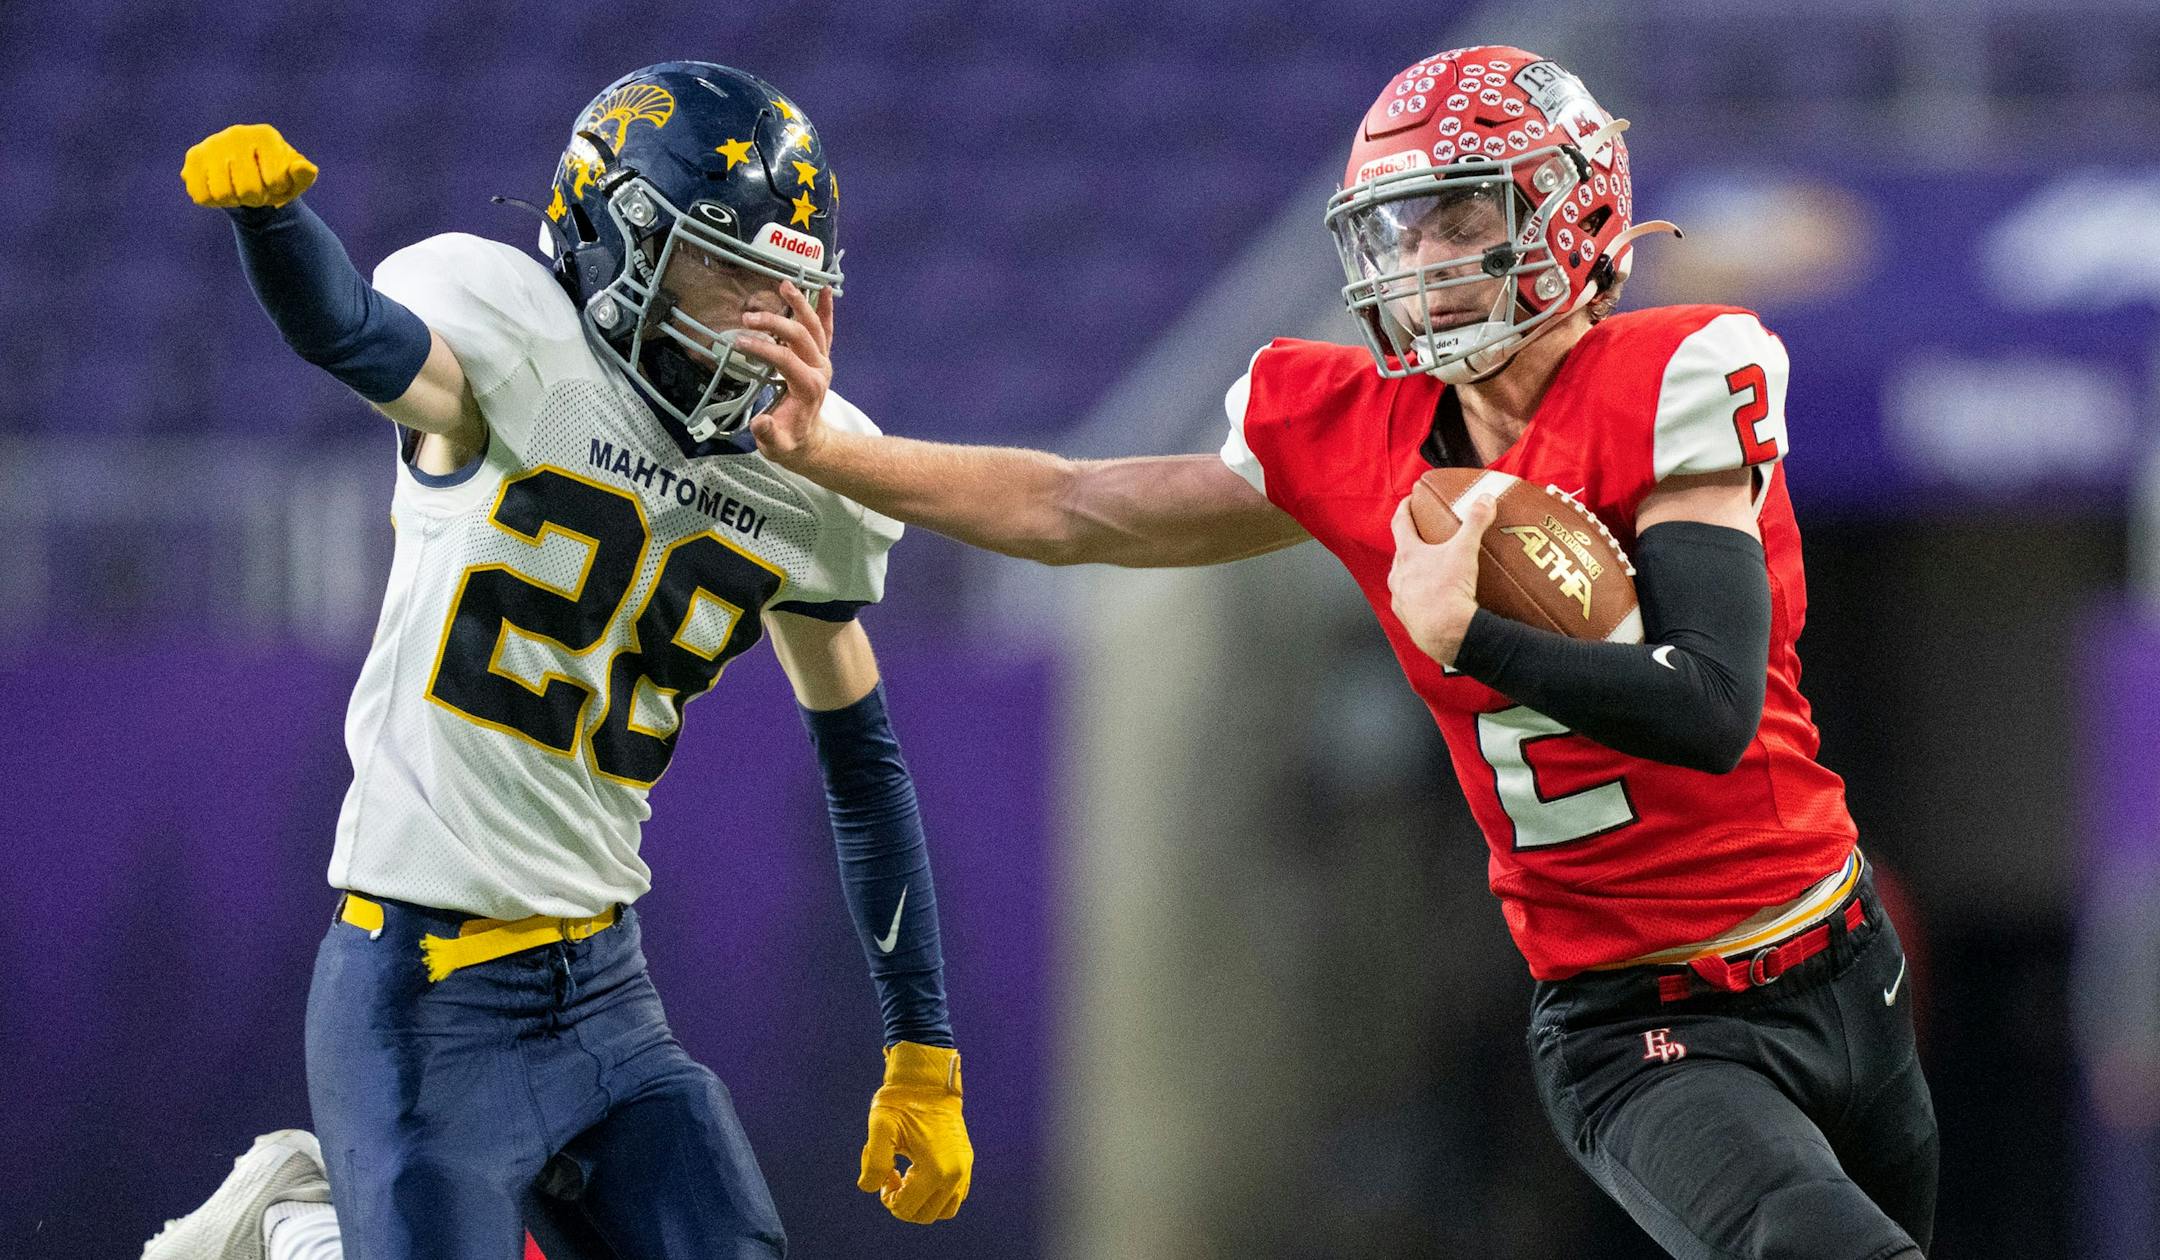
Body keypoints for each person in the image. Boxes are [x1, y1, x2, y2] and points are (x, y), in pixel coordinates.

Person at [741, 44, 1935, 1260]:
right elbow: (1075, 505)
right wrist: (832, 455)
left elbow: (1711, 705)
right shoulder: (1353, 434)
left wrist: (1470, 637)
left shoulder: (1675, 375)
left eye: (1459, 216)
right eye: (1402, 229)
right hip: (1634, 1020)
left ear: (1571, 206)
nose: (1423, 260)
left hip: (1841, 957)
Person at [143, 60, 972, 1260]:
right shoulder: (510, 355)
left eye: (786, 283)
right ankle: (299, 1234)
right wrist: (273, 226)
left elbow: (864, 765)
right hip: (420, 989)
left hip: (605, 995)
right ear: (611, 231)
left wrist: (923, 1050)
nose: (760, 320)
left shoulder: (809, 469)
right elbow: (352, 330)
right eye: (725, 268)